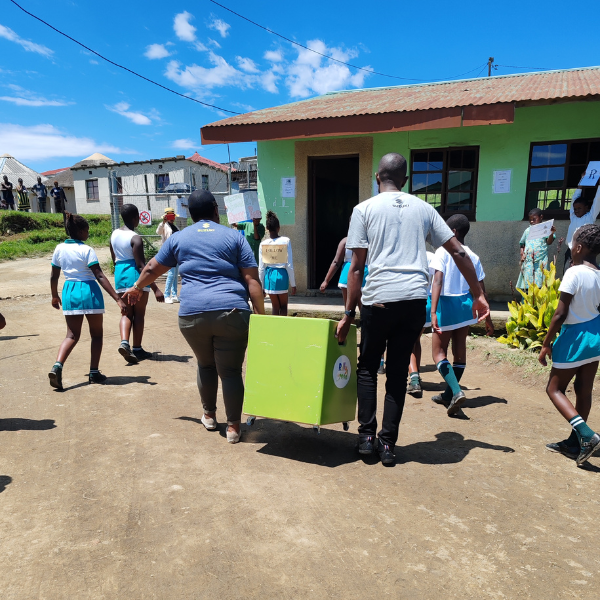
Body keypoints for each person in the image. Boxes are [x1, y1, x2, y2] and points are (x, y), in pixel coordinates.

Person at [336, 153, 489, 466]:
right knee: (396, 372)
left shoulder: (363, 209)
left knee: (367, 368)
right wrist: (478, 294)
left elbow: (355, 268)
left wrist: (348, 313)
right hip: (413, 303)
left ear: (378, 177)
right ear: (405, 181)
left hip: (377, 301)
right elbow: (459, 251)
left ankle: (367, 438)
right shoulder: (424, 209)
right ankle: (388, 445)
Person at [122, 191, 265, 444]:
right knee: (230, 371)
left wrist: (136, 287)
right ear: (214, 210)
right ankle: (233, 427)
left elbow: (153, 268)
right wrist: (262, 317)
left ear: (190, 214)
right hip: (231, 312)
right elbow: (251, 279)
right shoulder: (234, 237)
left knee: (205, 364)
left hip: (192, 314)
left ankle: (209, 415)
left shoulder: (179, 237)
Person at [540, 224, 600, 466]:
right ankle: (575, 443)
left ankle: (586, 436)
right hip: (595, 338)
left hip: (574, 338)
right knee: (583, 390)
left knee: (554, 389)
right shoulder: (599, 274)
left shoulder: (574, 272)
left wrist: (546, 343)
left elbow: (560, 313)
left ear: (578, 247)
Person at [49, 212, 127, 390]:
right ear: (82, 231)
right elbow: (99, 275)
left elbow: (54, 276)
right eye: (87, 231)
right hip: (90, 292)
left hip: (70, 291)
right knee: (97, 335)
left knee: (72, 335)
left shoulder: (59, 248)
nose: (88, 234)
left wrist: (54, 295)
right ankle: (93, 372)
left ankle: (57, 366)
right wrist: (118, 299)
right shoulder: (87, 250)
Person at [429, 214, 494, 415]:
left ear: (454, 233)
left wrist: (432, 310)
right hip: (466, 306)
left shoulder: (442, 251)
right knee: (459, 352)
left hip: (447, 305)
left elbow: (437, 281)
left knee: (438, 353)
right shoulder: (473, 255)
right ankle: (448, 394)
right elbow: (481, 289)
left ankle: (456, 392)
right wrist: (488, 318)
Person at [110, 204, 164, 363]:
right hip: (135, 275)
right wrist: (155, 288)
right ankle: (137, 349)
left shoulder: (114, 234)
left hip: (120, 274)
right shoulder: (135, 238)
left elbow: (114, 259)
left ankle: (124, 342)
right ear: (136, 218)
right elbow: (142, 266)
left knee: (126, 312)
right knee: (139, 315)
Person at [406, 250, 436, 398]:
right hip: (427, 302)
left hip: (411, 301)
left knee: (407, 343)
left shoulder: (406, 254)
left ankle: (415, 380)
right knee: (415, 340)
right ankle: (415, 375)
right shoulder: (431, 256)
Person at [258, 211, 296, 316]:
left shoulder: (263, 244)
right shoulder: (286, 241)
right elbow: (289, 265)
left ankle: (274, 329)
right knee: (284, 306)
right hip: (282, 276)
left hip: (269, 277)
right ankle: (283, 329)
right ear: (278, 227)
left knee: (275, 306)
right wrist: (293, 284)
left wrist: (261, 287)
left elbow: (261, 268)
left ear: (267, 228)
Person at [516, 208, 556, 291]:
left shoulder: (545, 230)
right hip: (529, 261)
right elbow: (522, 244)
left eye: (534, 219)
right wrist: (522, 254)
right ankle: (526, 301)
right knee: (528, 282)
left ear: (541, 217)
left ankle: (538, 302)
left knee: (540, 281)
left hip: (541, 261)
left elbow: (549, 242)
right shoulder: (527, 231)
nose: (532, 222)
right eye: (530, 220)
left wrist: (551, 233)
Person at [564, 182, 600, 272]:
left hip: (584, 253)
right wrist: (581, 183)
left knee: (582, 275)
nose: (576, 211)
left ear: (586, 208)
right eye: (575, 209)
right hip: (570, 252)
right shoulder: (573, 217)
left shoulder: (590, 217)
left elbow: (597, 201)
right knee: (567, 273)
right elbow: (574, 199)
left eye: (579, 208)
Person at [156, 207, 180, 303]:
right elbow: (158, 231)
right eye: (169, 216)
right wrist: (163, 222)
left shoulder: (176, 227)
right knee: (171, 274)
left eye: (172, 216)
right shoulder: (164, 225)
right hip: (168, 253)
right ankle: (166, 295)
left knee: (175, 275)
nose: (172, 218)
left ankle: (174, 294)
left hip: (176, 253)